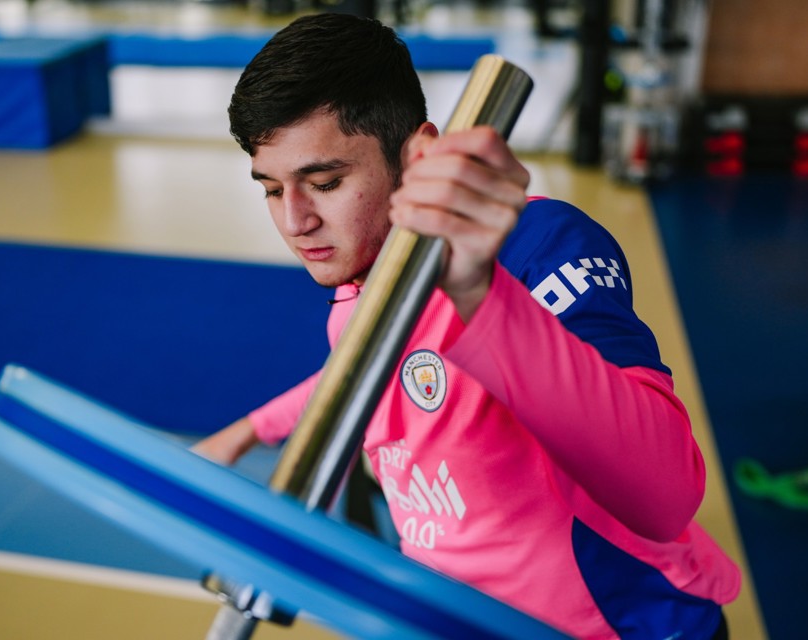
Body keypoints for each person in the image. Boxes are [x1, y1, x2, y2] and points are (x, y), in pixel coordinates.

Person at [192, 13, 740, 639]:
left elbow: (666, 493)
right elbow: (370, 371)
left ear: (415, 153)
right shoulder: (360, 283)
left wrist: (481, 295)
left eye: (326, 182)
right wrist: (246, 432)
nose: (295, 222)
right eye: (270, 189)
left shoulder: (538, 246)